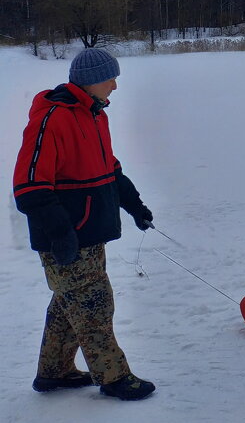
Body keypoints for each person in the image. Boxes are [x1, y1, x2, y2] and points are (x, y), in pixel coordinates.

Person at [12, 47, 157, 401]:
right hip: (67, 237)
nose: (115, 87)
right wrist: (60, 233)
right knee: (93, 304)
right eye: (112, 79)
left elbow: (110, 168)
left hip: (89, 234)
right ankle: (114, 377)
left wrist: (134, 205)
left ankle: (54, 372)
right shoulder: (52, 118)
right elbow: (28, 186)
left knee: (69, 302)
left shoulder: (94, 115)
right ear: (92, 81)